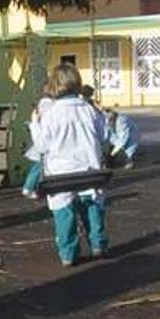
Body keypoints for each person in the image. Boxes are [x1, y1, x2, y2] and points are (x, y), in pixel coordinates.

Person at [38, 64, 109, 267]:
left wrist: (36, 124)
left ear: (54, 85)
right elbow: (104, 137)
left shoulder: (51, 114)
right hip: (89, 168)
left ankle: (68, 253)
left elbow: (42, 146)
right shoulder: (89, 110)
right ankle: (98, 244)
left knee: (64, 211)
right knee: (92, 206)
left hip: (61, 172)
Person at [22, 81, 56, 199]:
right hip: (46, 139)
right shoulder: (49, 105)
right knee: (39, 165)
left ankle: (35, 187)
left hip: (41, 137)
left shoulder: (42, 104)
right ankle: (29, 187)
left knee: (41, 165)